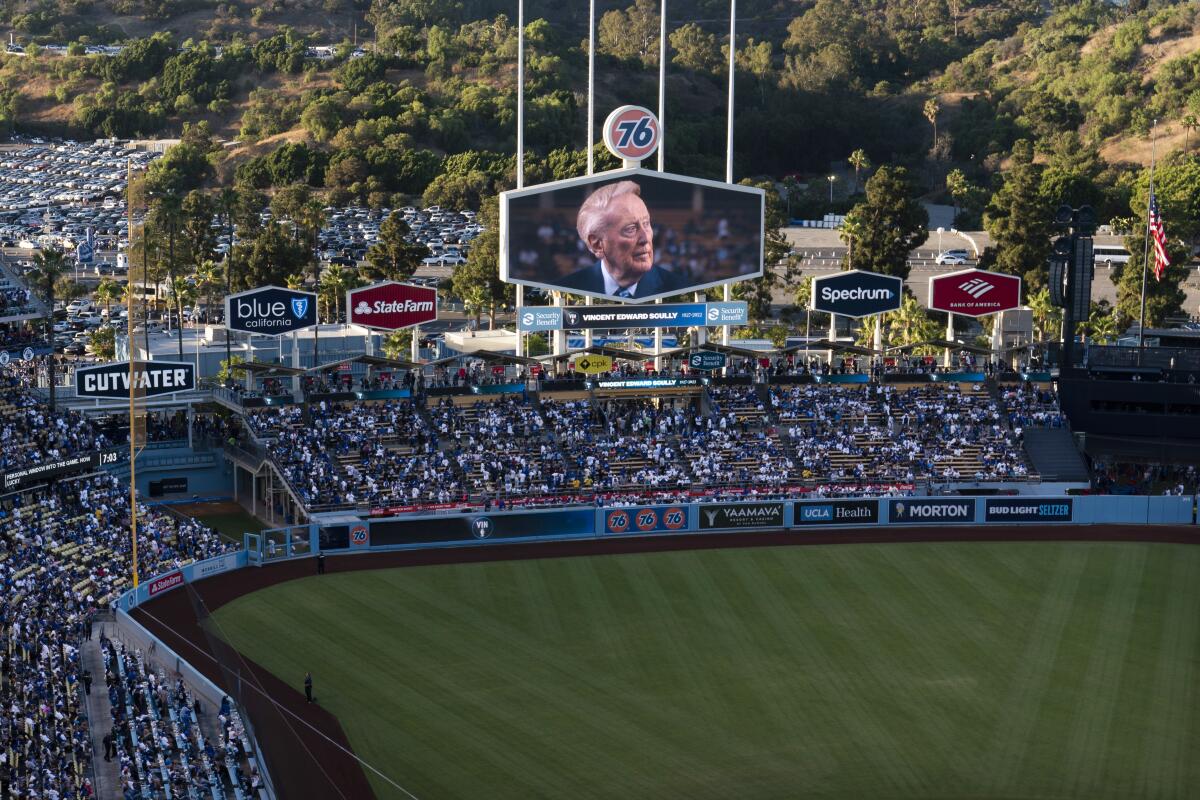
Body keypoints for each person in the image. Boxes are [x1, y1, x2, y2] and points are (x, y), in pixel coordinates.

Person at [559, 180, 689, 300]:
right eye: (631, 229)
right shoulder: (564, 290)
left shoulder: (682, 291)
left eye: (646, 223)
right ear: (597, 244)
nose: (645, 238)